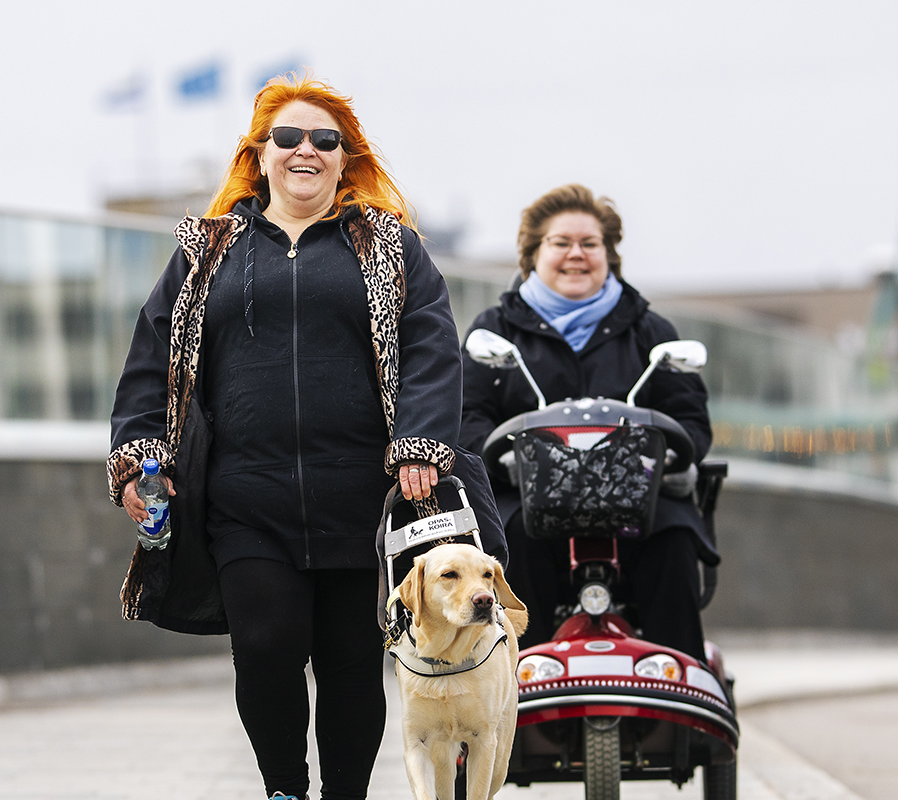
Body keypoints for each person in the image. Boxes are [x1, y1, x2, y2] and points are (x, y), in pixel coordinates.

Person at [107, 75, 462, 800]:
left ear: (345, 158)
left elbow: (432, 349)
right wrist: (138, 457)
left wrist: (421, 445)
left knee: (351, 663)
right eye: (289, 138)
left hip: (360, 495)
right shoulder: (205, 253)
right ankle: (283, 791)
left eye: (325, 140)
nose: (307, 150)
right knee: (265, 650)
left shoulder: (392, 251)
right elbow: (153, 361)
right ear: (258, 153)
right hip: (246, 496)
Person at [459, 184, 713, 658]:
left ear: (608, 255)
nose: (576, 255)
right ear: (534, 253)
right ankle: (516, 689)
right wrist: (509, 461)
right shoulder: (495, 331)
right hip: (529, 501)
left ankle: (681, 696)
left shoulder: (651, 332)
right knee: (510, 543)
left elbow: (692, 421)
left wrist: (668, 462)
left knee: (674, 540)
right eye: (560, 243)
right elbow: (468, 417)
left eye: (589, 244)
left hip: (640, 500)